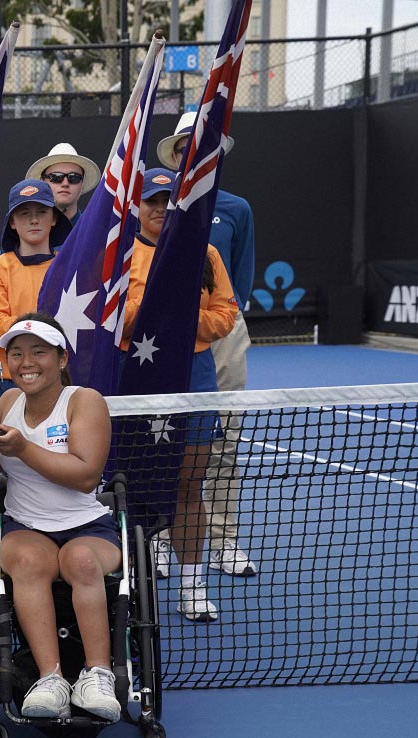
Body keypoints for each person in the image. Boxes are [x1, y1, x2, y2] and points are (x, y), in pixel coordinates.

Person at [0, 313, 123, 721]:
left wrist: (22, 448)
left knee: (81, 561)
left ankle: (98, 675)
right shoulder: (5, 402)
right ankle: (50, 677)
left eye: (38, 352)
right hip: (25, 525)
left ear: (61, 358)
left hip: (88, 527)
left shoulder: (85, 401)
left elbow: (86, 477)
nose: (25, 362)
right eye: (16, 353)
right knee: (28, 562)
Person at [122, 169, 238, 622]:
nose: (159, 209)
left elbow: (225, 314)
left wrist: (181, 325)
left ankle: (192, 588)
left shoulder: (206, 253)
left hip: (195, 375)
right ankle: (135, 581)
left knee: (190, 484)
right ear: (138, 206)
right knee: (131, 485)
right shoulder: (119, 254)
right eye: (151, 200)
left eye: (169, 201)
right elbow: (117, 316)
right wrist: (158, 315)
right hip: (139, 378)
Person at [157, 112, 258, 578]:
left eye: (203, 148)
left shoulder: (236, 208)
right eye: (184, 149)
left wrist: (211, 324)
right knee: (155, 439)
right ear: (175, 156)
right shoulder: (154, 207)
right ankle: (157, 538)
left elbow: (238, 278)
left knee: (221, 443)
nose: (193, 156)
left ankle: (223, 538)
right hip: (156, 341)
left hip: (219, 331)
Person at [0, 180, 72, 399]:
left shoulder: (71, 268)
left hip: (61, 378)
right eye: (24, 214)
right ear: (12, 222)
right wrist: (46, 326)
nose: (33, 220)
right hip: (10, 380)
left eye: (42, 212)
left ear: (54, 219)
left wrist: (23, 324)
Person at [24, 142, 100, 227]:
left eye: (74, 177)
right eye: (56, 177)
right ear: (42, 183)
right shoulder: (27, 233)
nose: (65, 183)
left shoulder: (93, 232)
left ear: (82, 185)